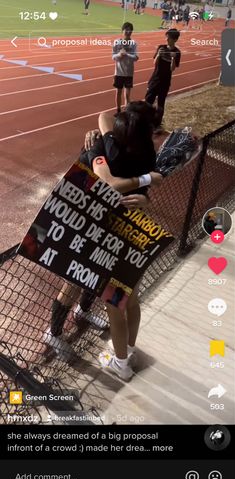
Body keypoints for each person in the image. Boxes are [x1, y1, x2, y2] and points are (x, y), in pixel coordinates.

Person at [44, 103, 163, 367]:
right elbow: (103, 117)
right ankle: (53, 334)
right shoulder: (101, 146)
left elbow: (140, 194)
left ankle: (83, 312)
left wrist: (145, 199)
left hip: (111, 228)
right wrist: (146, 181)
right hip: (84, 221)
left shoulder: (143, 156)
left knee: (95, 277)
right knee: (74, 280)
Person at [145, 28, 181, 127]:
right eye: (166, 37)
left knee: (161, 104)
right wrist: (158, 56)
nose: (166, 40)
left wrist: (173, 58)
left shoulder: (177, 52)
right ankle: (145, 121)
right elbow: (154, 63)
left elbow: (172, 69)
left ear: (175, 40)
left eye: (169, 38)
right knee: (148, 102)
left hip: (165, 82)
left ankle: (157, 124)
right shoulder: (161, 47)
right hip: (155, 79)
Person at [112, 23, 139, 115]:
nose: (128, 32)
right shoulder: (117, 42)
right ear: (122, 31)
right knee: (118, 92)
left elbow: (136, 57)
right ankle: (118, 110)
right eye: (126, 30)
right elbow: (113, 57)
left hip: (129, 73)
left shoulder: (134, 44)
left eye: (130, 30)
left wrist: (127, 54)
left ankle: (127, 112)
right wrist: (120, 54)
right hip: (119, 72)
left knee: (127, 94)